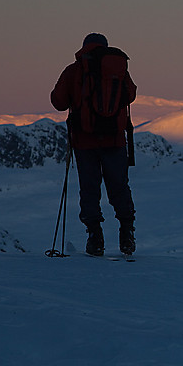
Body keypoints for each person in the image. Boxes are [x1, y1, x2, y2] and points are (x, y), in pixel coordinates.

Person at [51, 33, 137, 256]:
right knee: (119, 186)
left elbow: (58, 102)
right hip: (115, 140)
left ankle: (95, 237)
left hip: (84, 140)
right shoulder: (117, 69)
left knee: (90, 189)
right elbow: (131, 95)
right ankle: (127, 232)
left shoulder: (74, 70)